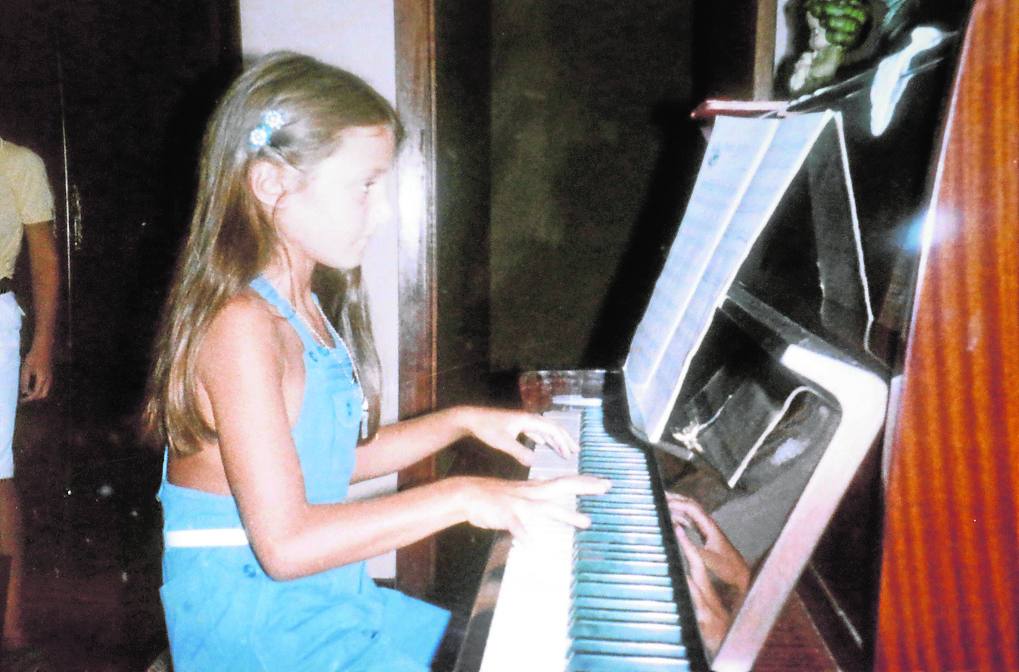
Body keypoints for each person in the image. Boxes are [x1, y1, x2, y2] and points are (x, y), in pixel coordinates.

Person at [142, 51, 609, 672]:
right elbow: (285, 545)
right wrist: (466, 495)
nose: (384, 211)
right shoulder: (242, 327)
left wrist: (461, 421)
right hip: (264, 628)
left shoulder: (301, 306)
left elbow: (324, 465)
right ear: (271, 185)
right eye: (366, 185)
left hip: (323, 598)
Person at [0, 136, 60, 656]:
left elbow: (43, 259)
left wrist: (41, 344)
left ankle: (9, 623)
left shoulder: (18, 164)